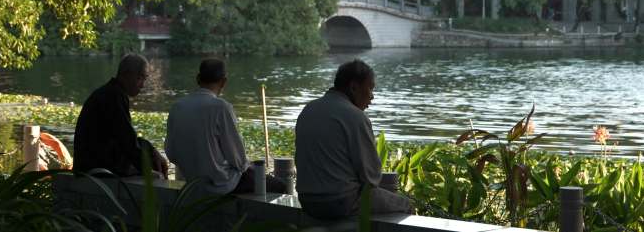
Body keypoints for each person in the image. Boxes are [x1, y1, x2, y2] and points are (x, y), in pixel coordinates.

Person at [295, 59, 412, 219]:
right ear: (354, 87)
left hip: (307, 201)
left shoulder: (308, 109)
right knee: (405, 206)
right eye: (370, 88)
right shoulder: (355, 116)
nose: (372, 96)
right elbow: (371, 178)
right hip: (340, 202)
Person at [165, 58, 286, 195]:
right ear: (224, 82)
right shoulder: (221, 108)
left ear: (198, 79)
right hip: (222, 185)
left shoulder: (177, 107)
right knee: (280, 186)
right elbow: (238, 160)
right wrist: (250, 167)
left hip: (193, 184)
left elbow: (171, 153)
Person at [73, 54, 168, 178]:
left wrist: (153, 151)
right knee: (156, 172)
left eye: (144, 79)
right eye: (140, 78)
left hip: (92, 162)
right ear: (126, 74)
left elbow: (127, 137)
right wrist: (146, 170)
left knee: (151, 157)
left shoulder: (110, 92)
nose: (142, 85)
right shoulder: (114, 96)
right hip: (96, 168)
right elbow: (126, 140)